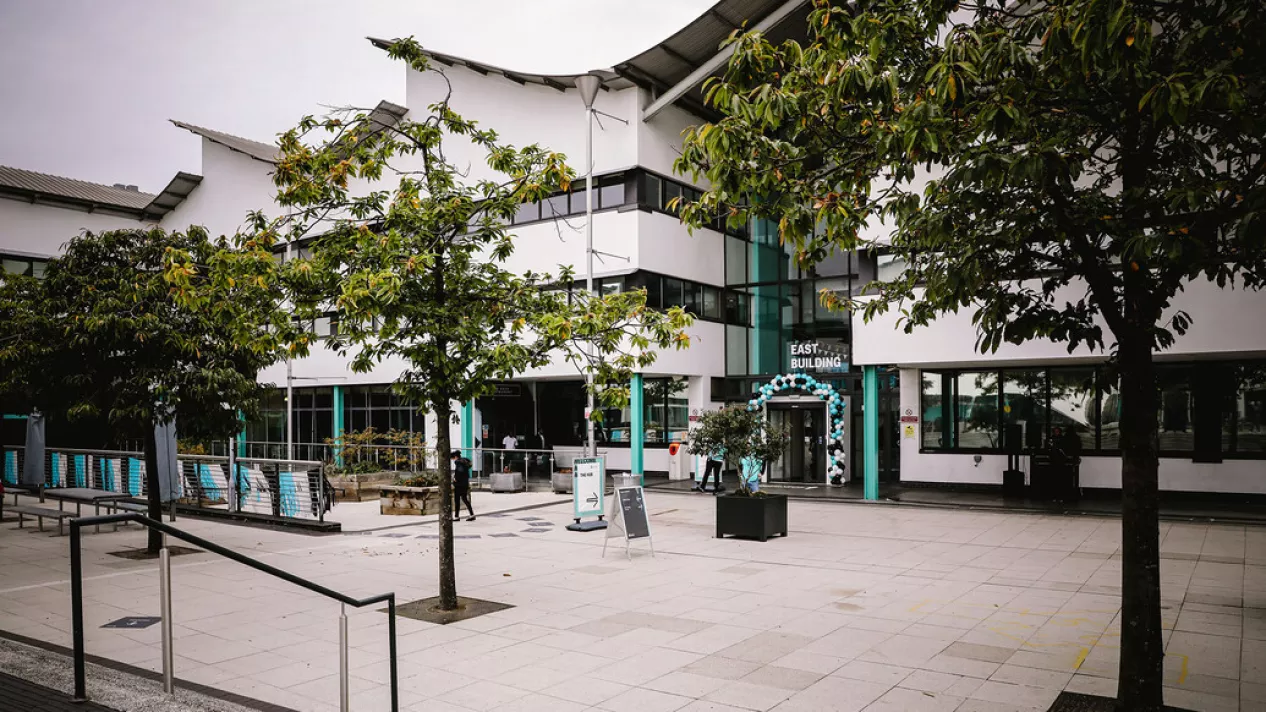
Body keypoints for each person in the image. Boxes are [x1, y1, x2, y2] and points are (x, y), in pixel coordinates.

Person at [450, 450, 475, 521]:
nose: (453, 460)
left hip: (459, 485)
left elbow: (460, 472)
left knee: (457, 500)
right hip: (465, 484)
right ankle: (472, 514)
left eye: (452, 458)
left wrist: (455, 479)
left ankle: (456, 516)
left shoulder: (458, 462)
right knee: (465, 499)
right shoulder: (464, 462)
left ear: (455, 457)